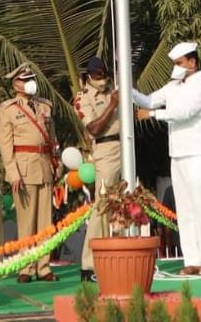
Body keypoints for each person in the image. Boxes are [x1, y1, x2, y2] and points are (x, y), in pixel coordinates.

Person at [133, 41, 201, 277]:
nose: (176, 68)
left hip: (199, 151)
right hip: (178, 152)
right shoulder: (174, 86)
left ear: (192, 62)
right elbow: (149, 100)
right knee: (186, 209)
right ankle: (191, 259)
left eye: (179, 63)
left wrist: (153, 115)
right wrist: (128, 91)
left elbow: (185, 112)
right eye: (174, 64)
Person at [0, 63, 58, 284]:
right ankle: (26, 267)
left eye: (31, 78)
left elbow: (52, 138)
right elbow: (5, 144)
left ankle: (44, 266)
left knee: (45, 222)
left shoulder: (45, 106)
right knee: (26, 222)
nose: (29, 82)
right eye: (24, 79)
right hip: (22, 169)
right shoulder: (8, 109)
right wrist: (12, 173)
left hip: (44, 165)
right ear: (16, 84)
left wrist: (56, 163)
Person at [73, 55, 120, 282]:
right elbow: (94, 128)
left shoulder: (115, 87)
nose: (102, 78)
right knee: (102, 206)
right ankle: (89, 264)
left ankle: (118, 257)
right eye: (97, 75)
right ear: (89, 76)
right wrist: (112, 104)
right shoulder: (83, 99)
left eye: (104, 73)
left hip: (125, 146)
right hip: (106, 149)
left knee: (122, 205)